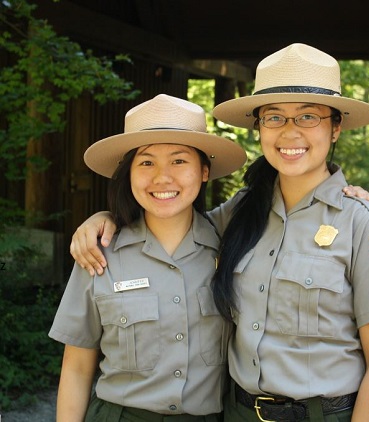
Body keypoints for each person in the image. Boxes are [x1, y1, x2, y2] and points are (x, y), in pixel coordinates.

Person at [70, 43, 369, 422]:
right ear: (258, 128)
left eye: (307, 117)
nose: (289, 132)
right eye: (274, 118)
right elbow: (170, 218)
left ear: (335, 128)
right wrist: (104, 219)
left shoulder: (363, 223)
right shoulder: (239, 213)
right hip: (238, 413)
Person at [49, 93, 249, 420]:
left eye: (179, 160)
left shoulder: (230, 243)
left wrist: (356, 198)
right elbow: (76, 367)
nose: (162, 177)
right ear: (129, 173)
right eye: (146, 162)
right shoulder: (99, 252)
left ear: (203, 170)